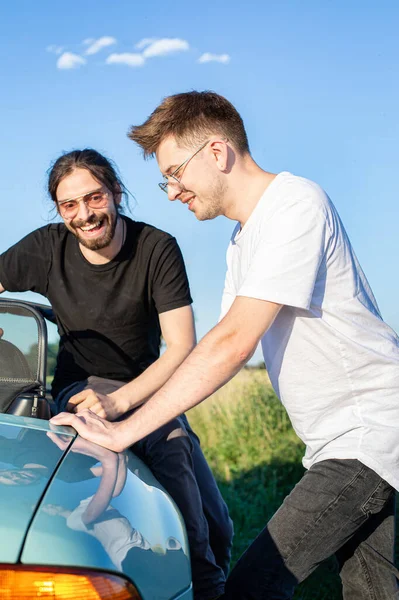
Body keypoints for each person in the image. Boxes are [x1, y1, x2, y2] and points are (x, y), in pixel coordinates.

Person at [50, 91, 399, 599]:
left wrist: (122, 432)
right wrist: (122, 407)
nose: (171, 192)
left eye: (174, 173)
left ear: (216, 153)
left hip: (368, 434)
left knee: (252, 587)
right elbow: (218, 348)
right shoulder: (243, 239)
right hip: (339, 440)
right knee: (371, 589)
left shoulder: (295, 203)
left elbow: (234, 343)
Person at [0, 148, 233, 600]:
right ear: (59, 210)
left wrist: (121, 403)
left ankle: (208, 572)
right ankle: (204, 589)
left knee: (219, 525)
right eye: (70, 205)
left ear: (116, 193)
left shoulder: (156, 247)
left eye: (94, 198)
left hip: (147, 391)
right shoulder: (47, 246)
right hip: (81, 388)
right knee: (175, 459)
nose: (85, 215)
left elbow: (182, 346)